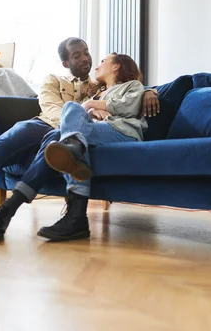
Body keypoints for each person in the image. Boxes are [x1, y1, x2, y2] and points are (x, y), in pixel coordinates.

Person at [0, 38, 159, 242]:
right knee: (3, 144)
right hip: (44, 123)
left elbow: (131, 88)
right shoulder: (54, 80)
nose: (86, 58)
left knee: (56, 142)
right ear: (67, 63)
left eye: (87, 52)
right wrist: (78, 115)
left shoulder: (99, 86)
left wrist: (150, 92)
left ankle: (6, 212)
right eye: (77, 55)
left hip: (65, 134)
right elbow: (51, 108)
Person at [36, 53, 147, 241]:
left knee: (71, 134)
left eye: (103, 61)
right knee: (71, 114)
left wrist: (90, 104)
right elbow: (75, 116)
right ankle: (76, 217)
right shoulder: (98, 92)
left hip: (123, 133)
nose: (97, 65)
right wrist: (92, 108)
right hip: (98, 130)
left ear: (116, 66)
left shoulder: (132, 86)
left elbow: (129, 106)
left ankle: (76, 216)